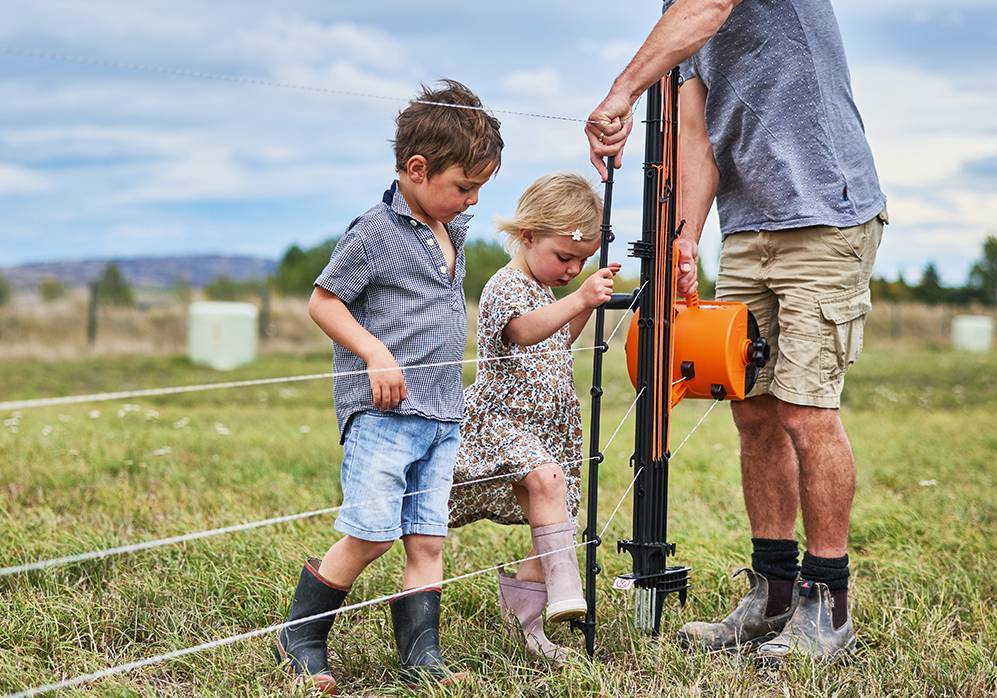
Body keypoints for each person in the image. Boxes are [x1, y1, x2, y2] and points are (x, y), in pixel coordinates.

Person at [584, 0, 889, 664]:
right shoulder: (677, 18)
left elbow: (711, 6)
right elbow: (696, 138)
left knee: (807, 410)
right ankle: (773, 593)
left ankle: (827, 606)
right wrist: (688, 240)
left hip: (825, 213)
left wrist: (620, 92)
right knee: (752, 410)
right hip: (748, 227)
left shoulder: (693, 10)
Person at [274, 78, 505, 692]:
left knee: (428, 538)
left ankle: (420, 656)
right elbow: (325, 303)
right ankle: (301, 633)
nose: (472, 200)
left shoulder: (451, 231)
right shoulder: (375, 231)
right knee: (373, 532)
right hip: (384, 413)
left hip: (442, 414)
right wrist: (375, 352)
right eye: (464, 187)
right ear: (417, 167)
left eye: (480, 189)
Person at [445, 172, 621, 663]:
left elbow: (557, 338)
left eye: (580, 262)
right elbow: (523, 333)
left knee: (553, 518)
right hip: (507, 421)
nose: (571, 270)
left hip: (548, 425)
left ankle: (529, 629)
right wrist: (579, 297)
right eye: (563, 257)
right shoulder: (507, 285)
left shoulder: (549, 290)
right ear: (527, 236)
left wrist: (584, 303)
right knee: (547, 489)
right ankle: (568, 581)